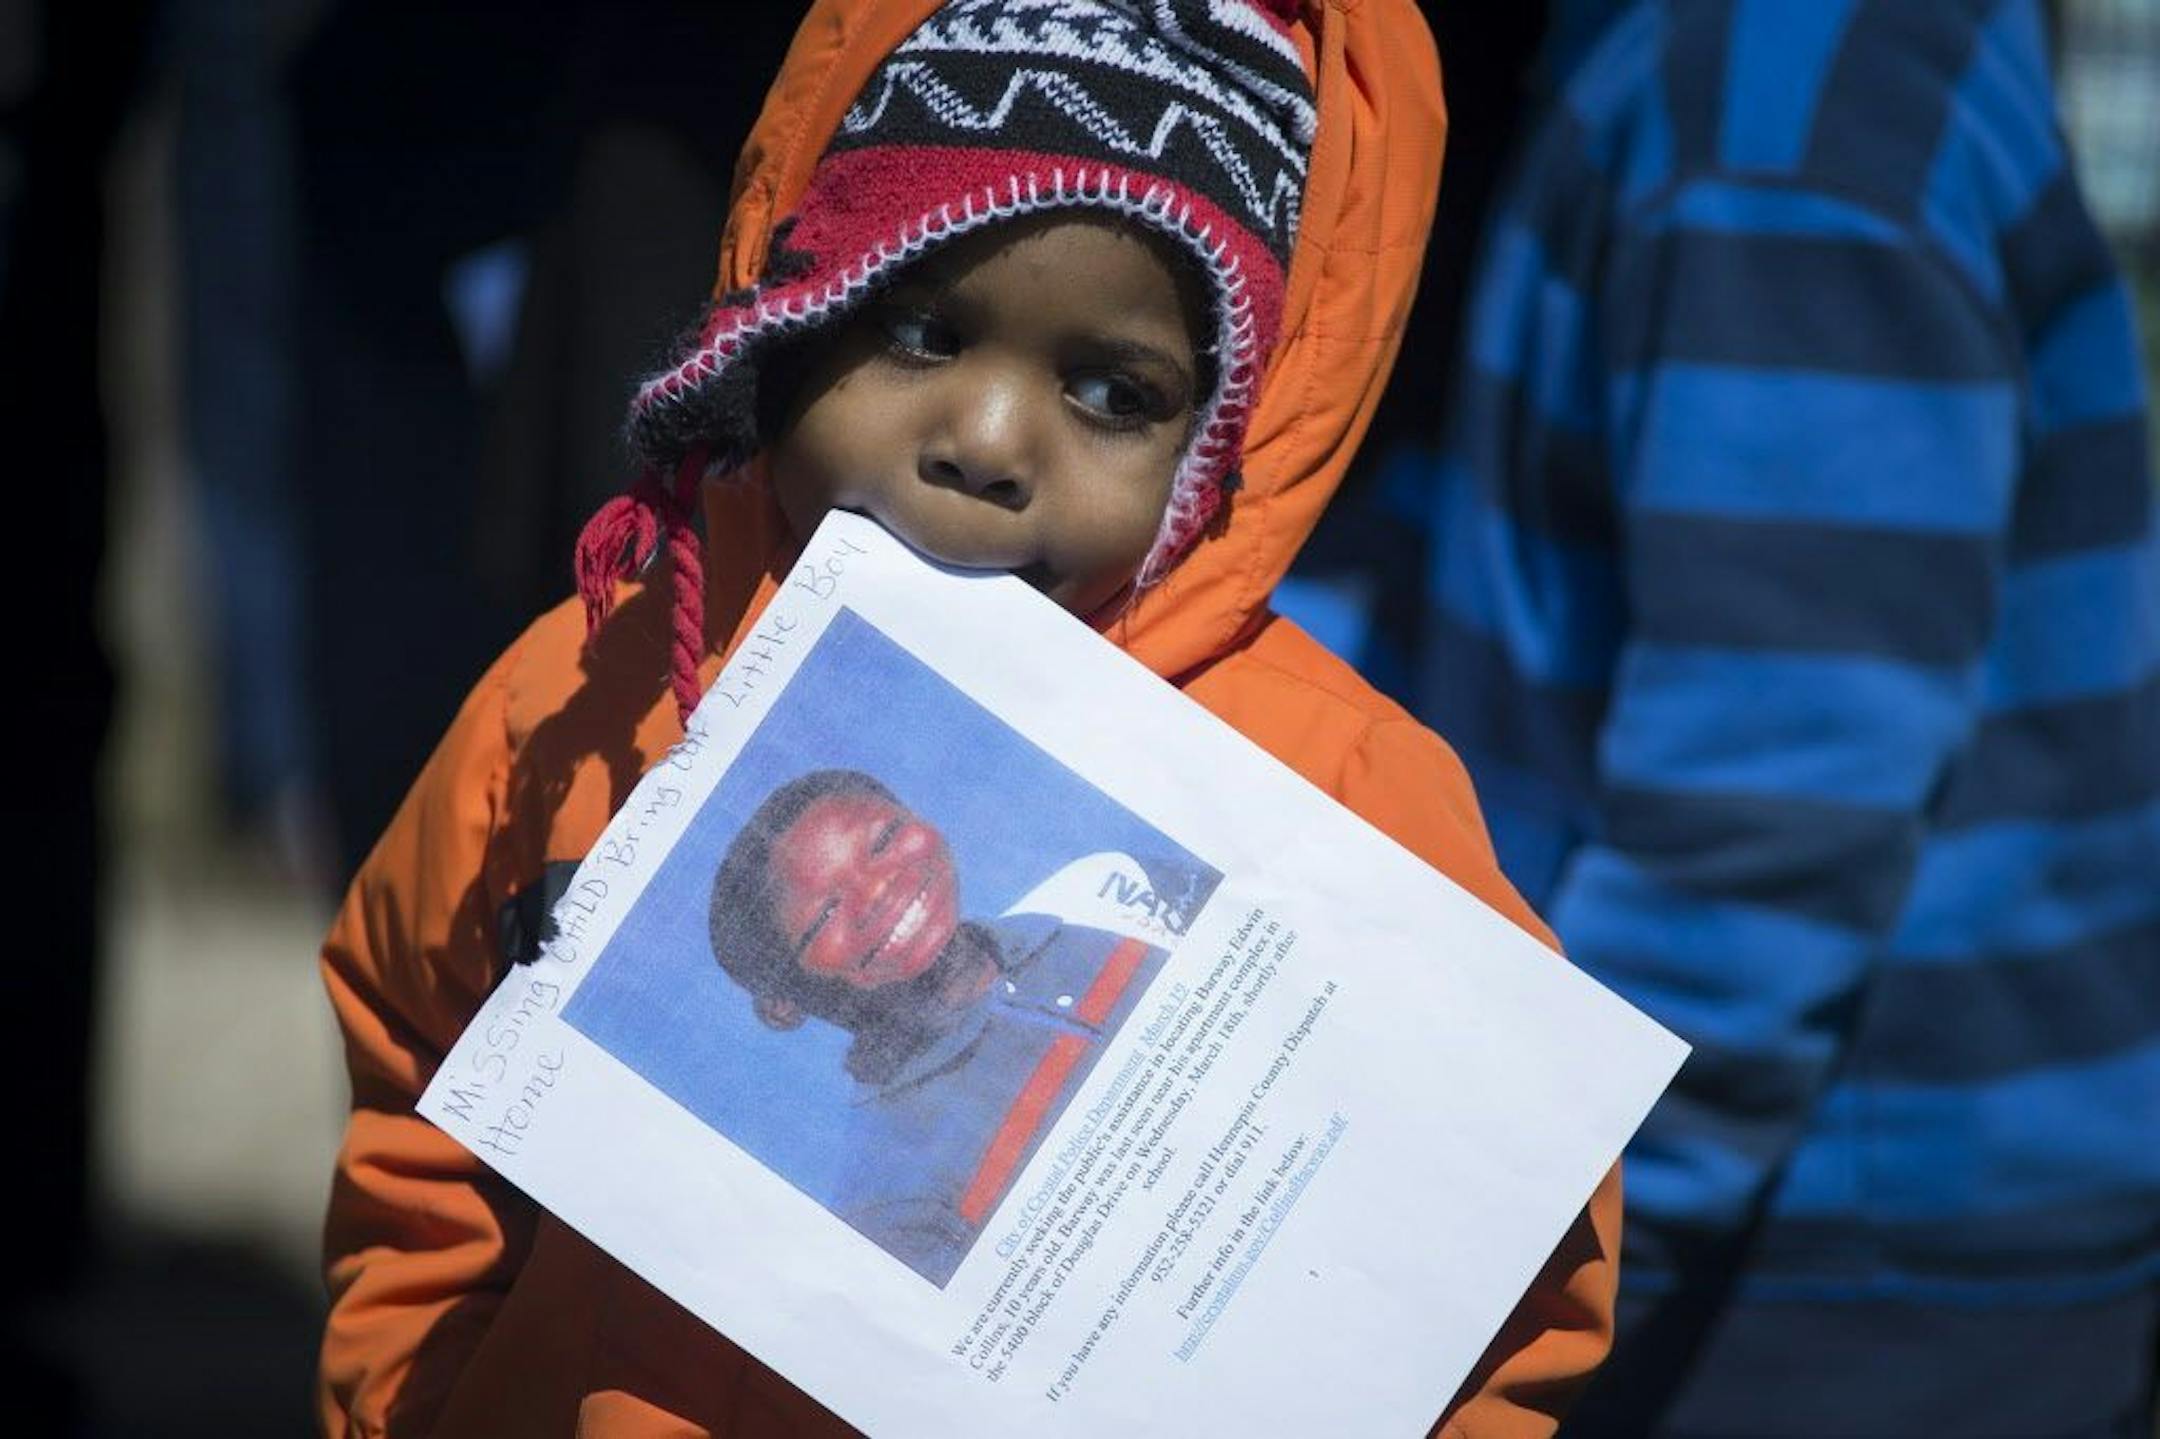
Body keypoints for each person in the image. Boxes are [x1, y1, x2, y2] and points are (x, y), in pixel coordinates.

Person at [318, 1, 1625, 1433]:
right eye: (920, 327)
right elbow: (414, 1088)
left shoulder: (1345, 792)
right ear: (798, 303)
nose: (989, 441)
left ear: (1221, 438)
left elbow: (1496, 1270)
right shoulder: (584, 699)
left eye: (1113, 391)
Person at [1414, 1, 2160, 1434]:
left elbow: (1768, 816)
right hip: (1837, 1214)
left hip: (1828, 1261)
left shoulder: (1777, 115)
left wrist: (1520, 1263)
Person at [709, 768, 1207, 1287]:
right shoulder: (890, 1208)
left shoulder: (1104, 887)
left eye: (884, 839)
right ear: (784, 1005)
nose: (877, 891)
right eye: (826, 912)